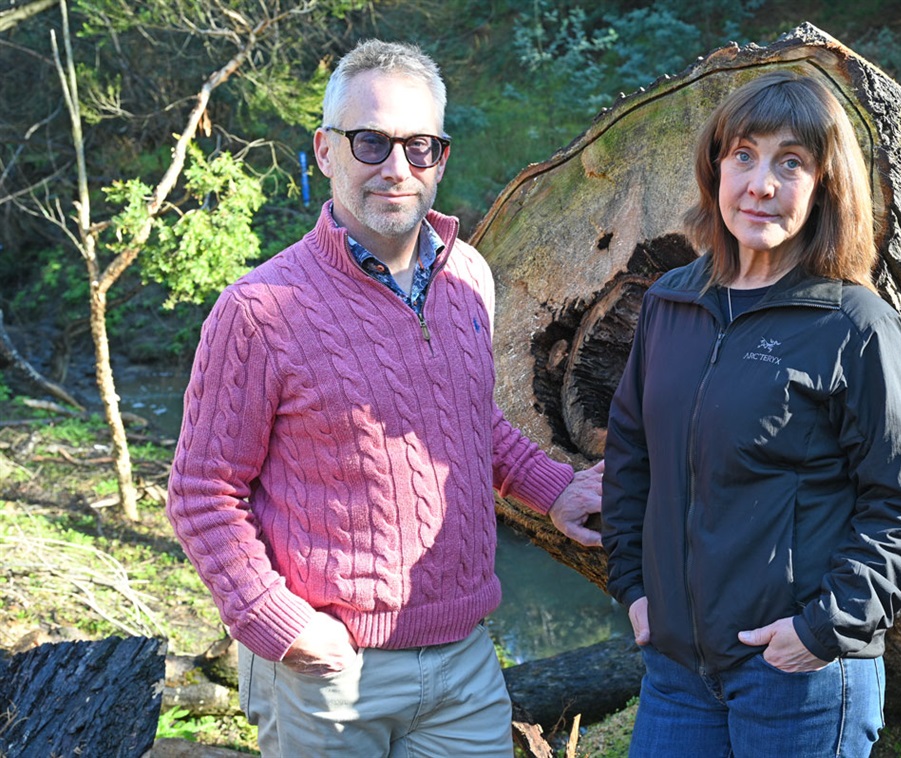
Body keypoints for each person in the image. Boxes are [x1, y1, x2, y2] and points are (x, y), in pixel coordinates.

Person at [166, 39, 602, 757]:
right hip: (329, 678)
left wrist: (553, 489)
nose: (396, 168)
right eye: (370, 142)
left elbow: (469, 417)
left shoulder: (468, 275)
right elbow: (201, 492)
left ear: (441, 157)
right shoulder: (259, 311)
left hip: (464, 659)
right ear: (326, 149)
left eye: (419, 145)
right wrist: (279, 621)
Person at [601, 70, 901, 757]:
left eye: (791, 162)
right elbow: (633, 459)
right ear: (715, 168)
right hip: (677, 672)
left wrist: (822, 631)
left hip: (798, 677)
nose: (761, 184)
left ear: (824, 186)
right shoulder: (670, 303)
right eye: (744, 155)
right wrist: (634, 587)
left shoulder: (854, 326)